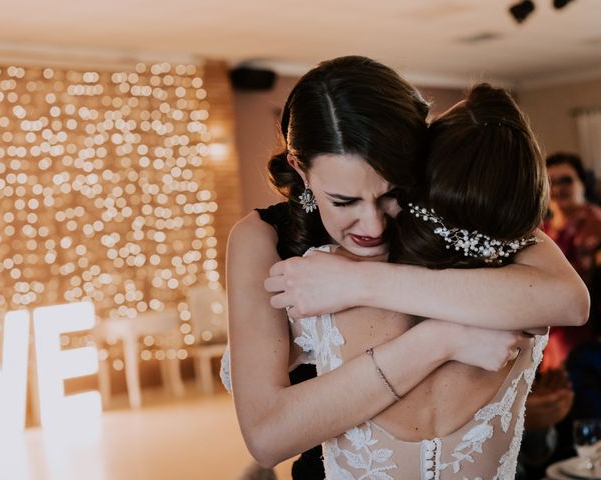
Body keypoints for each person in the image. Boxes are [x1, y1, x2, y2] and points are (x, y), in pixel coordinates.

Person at [226, 56, 588, 478]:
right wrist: (443, 338)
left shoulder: (445, 210)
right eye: (344, 201)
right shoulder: (262, 238)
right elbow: (267, 438)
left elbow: (568, 299)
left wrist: (364, 282)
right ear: (299, 169)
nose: (373, 224)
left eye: (391, 193)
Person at [541, 152, 601, 370]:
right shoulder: (541, 230)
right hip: (548, 335)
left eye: (566, 180)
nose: (558, 188)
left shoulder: (595, 223)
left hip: (586, 331)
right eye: (550, 181)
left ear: (582, 183)